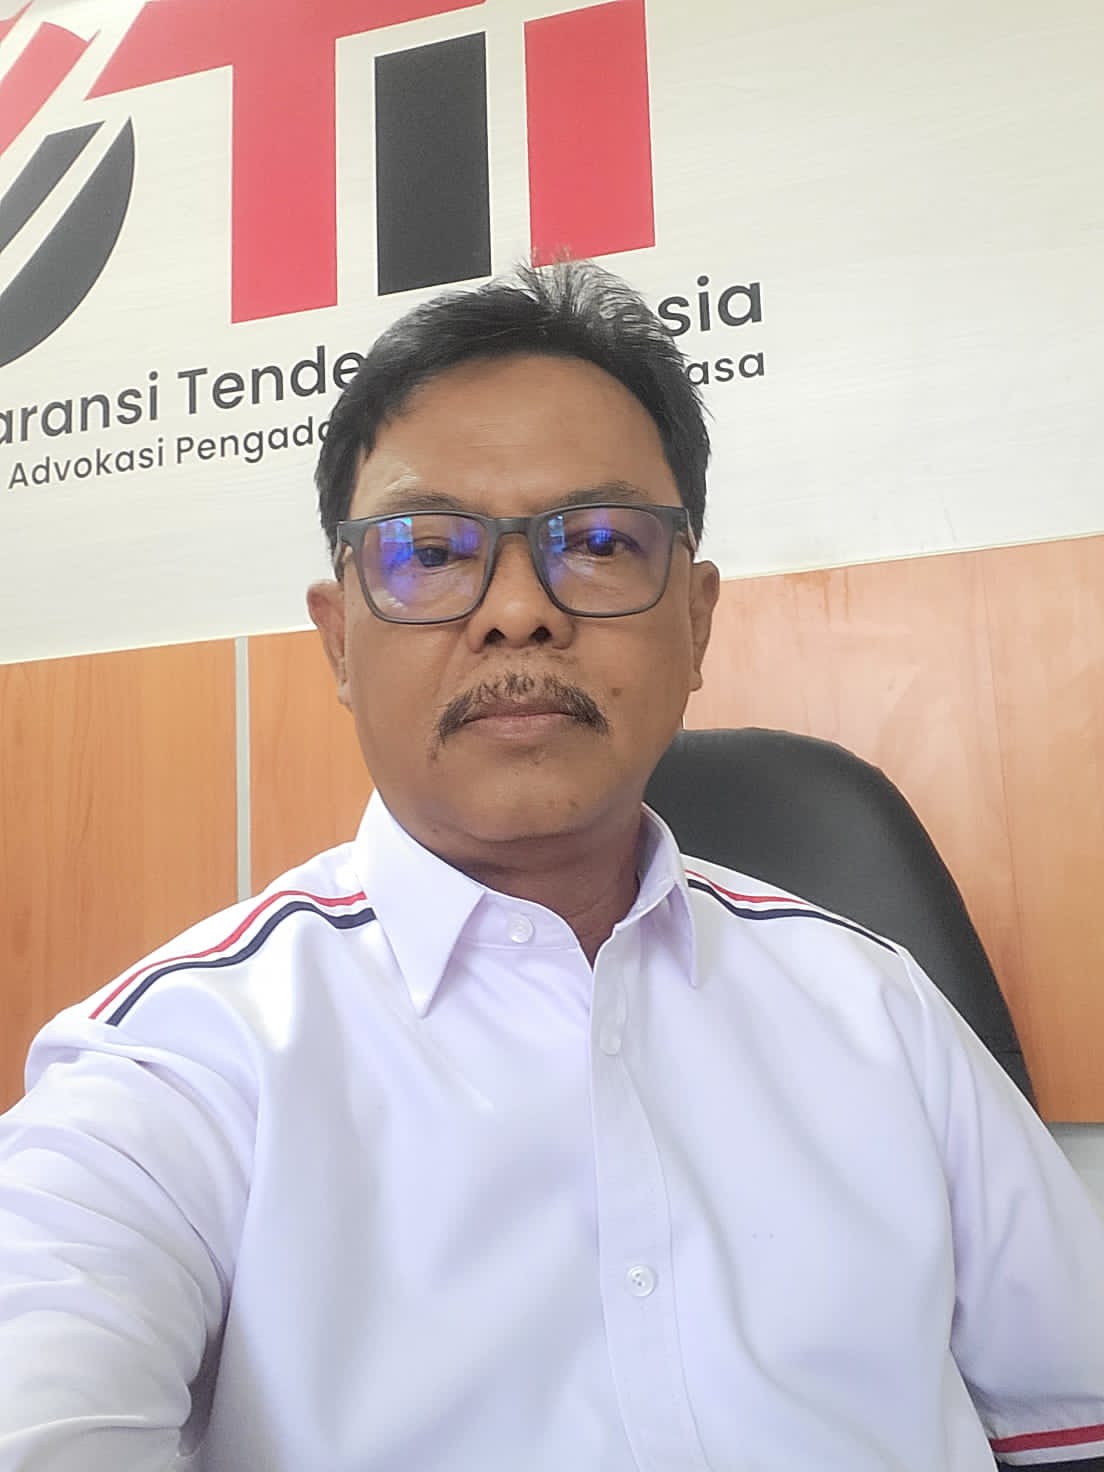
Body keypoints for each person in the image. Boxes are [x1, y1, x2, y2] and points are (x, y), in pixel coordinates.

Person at [0, 261, 1102, 1472]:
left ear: (696, 619)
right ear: (340, 640)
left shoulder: (877, 1007)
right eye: (430, 550)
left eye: (600, 541)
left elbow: (1075, 1411)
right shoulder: (180, 1060)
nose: (517, 610)